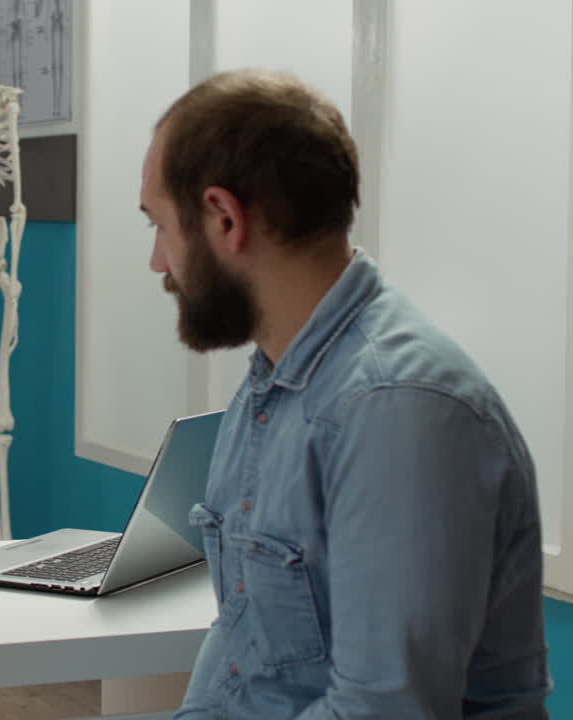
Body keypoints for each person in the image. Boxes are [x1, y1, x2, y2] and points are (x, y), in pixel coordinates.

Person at [138, 70, 550, 718]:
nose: (158, 261)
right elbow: (242, 645)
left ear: (224, 217)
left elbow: (383, 709)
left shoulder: (401, 411)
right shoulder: (272, 384)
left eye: (160, 226)